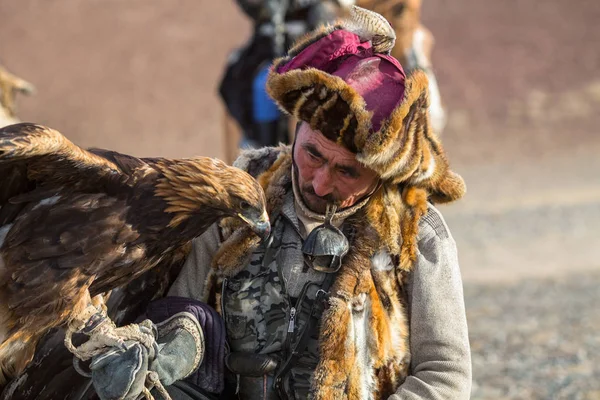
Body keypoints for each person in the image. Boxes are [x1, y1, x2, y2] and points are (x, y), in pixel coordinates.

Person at [88, 6, 472, 400]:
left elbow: (444, 374)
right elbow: (183, 310)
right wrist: (165, 348)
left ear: (382, 171)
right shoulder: (239, 197)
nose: (321, 184)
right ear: (296, 128)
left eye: (348, 173)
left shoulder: (416, 236)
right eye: (313, 155)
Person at [219, 0, 339, 149]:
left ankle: (295, 150)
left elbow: (337, 9)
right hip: (267, 45)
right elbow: (253, 11)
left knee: (301, 90)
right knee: (240, 81)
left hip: (308, 41)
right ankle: (260, 145)